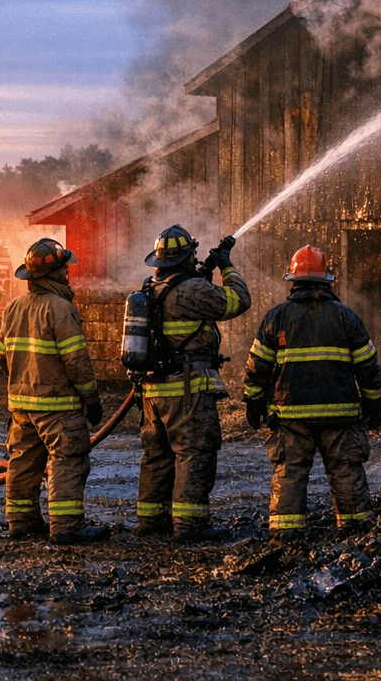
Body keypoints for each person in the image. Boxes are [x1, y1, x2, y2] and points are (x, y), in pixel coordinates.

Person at [243, 244, 381, 541]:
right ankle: (356, 532)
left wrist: (253, 404)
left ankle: (286, 535)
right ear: (326, 280)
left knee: (289, 473)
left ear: (293, 281)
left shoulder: (276, 317)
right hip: (341, 416)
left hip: (290, 416)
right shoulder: (346, 317)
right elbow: (368, 368)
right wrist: (374, 407)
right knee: (346, 470)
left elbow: (257, 368)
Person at [134, 224, 251, 543]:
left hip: (153, 391)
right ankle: (190, 525)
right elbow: (238, 300)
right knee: (194, 451)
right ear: (186, 258)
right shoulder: (193, 291)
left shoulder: (149, 289)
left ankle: (151, 521)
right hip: (187, 390)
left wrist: (203, 275)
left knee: (157, 456)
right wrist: (226, 265)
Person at [0, 238, 107, 544]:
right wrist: (93, 401)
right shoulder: (61, 308)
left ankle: (21, 521)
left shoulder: (13, 308)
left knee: (23, 462)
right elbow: (77, 363)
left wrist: (22, 379)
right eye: (64, 270)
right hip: (57, 406)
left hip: (21, 407)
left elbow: (0, 357)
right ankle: (67, 526)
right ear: (55, 274)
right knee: (68, 460)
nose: (67, 275)